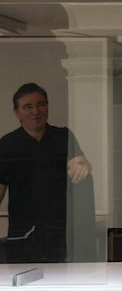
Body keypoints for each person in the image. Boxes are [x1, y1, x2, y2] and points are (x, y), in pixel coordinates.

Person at [0, 82, 94, 263]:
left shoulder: (63, 136)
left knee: (64, 284)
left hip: (61, 234)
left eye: (41, 104)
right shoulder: (7, 145)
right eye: (28, 107)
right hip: (24, 235)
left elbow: (81, 163)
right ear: (16, 112)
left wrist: (83, 166)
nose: (36, 111)